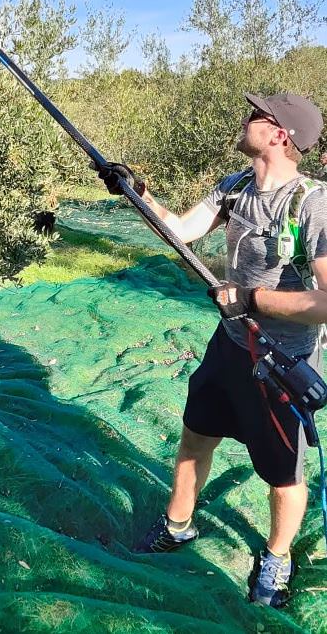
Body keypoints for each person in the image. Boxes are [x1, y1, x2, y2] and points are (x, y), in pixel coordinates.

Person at [98, 93, 327, 608]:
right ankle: (177, 525)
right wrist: (137, 195)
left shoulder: (313, 203)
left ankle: (276, 558)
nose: (246, 119)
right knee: (195, 438)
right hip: (228, 347)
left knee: (282, 475)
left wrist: (252, 299)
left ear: (280, 135)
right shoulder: (235, 187)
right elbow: (180, 231)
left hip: (280, 363)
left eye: (257, 115)